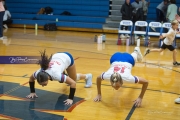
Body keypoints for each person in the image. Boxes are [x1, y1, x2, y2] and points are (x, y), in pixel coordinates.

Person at [26, 50, 93, 105]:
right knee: (62, 80)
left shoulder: (56, 75)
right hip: (57, 56)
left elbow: (73, 84)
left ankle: (88, 76)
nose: (43, 86)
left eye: (43, 84)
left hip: (67, 58)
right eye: (41, 84)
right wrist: (32, 92)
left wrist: (70, 98)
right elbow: (31, 79)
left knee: (73, 79)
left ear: (47, 78)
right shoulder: (38, 73)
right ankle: (64, 75)